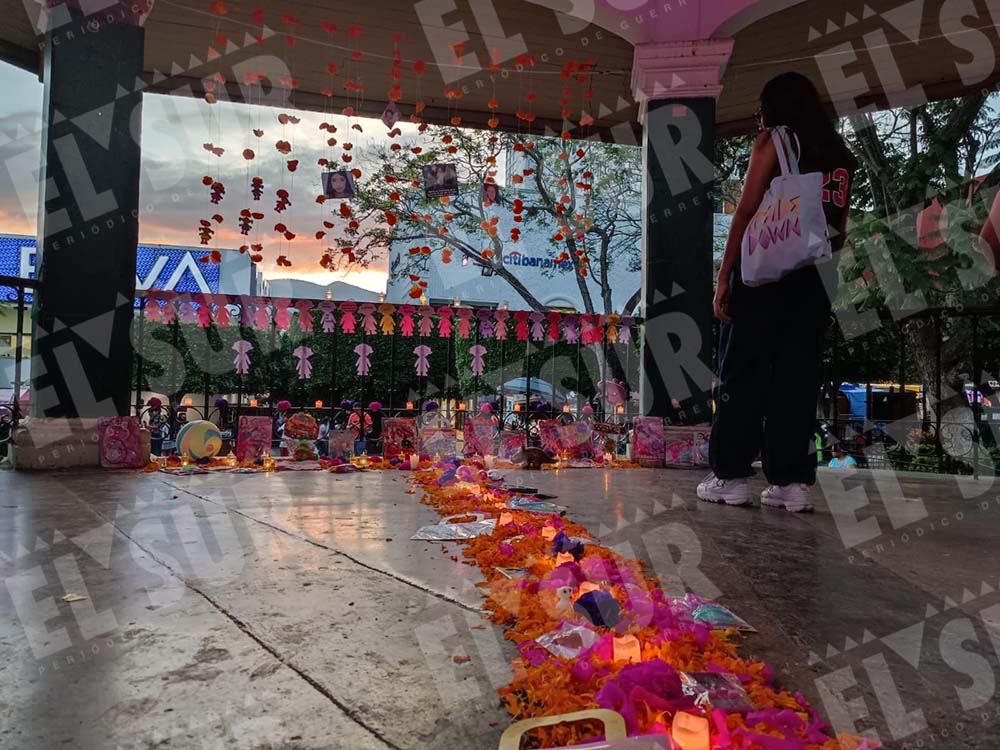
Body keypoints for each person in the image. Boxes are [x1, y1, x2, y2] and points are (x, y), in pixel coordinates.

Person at [697, 72, 857, 512]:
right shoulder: (841, 156)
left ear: (773, 108)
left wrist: (725, 277)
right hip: (815, 277)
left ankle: (730, 475)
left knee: (742, 375)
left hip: (766, 275)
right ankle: (792, 483)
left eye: (759, 111)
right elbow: (839, 229)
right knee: (797, 381)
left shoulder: (776, 141)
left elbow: (746, 212)